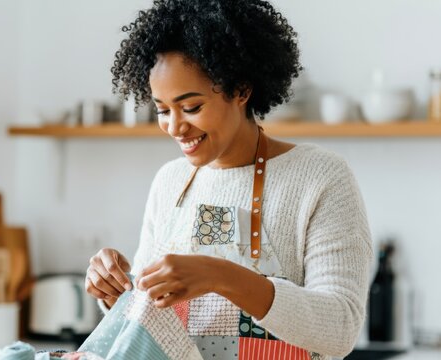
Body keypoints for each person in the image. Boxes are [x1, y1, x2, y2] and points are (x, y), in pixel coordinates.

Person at [85, 0, 372, 359]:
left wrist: (220, 275)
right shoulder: (170, 181)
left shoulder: (319, 176)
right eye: (162, 110)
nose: (175, 126)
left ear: (241, 90)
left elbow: (340, 328)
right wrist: (117, 293)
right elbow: (150, 320)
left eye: (191, 107)